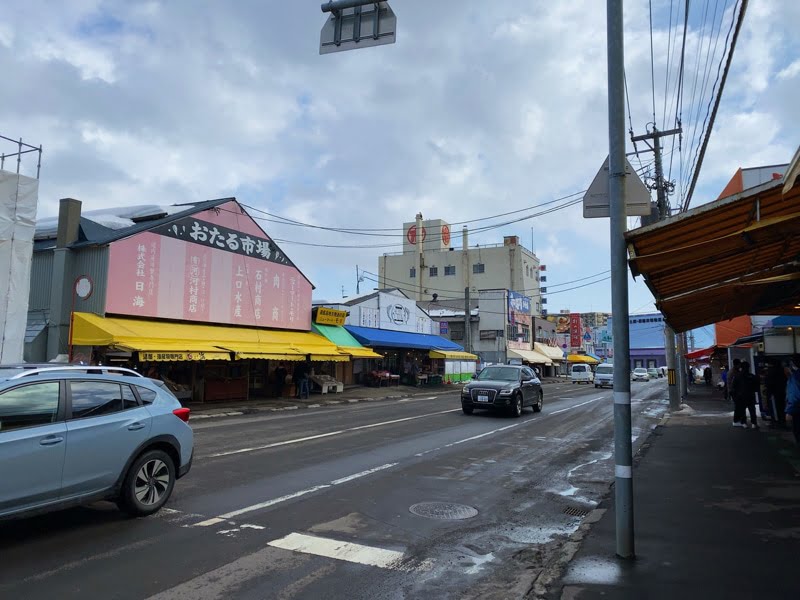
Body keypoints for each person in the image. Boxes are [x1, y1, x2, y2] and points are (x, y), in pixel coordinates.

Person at [732, 361, 759, 429]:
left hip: (741, 396)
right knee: (752, 410)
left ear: (741, 367)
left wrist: (735, 395)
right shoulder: (752, 376)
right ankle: (754, 423)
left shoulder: (737, 376)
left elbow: (734, 386)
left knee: (742, 410)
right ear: (748, 367)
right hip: (751, 395)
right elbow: (756, 386)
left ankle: (744, 423)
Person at [765, 359, 787, 428]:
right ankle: (782, 422)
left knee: (775, 408)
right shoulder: (782, 371)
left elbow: (768, 383)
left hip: (773, 393)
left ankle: (776, 423)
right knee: (781, 407)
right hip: (781, 392)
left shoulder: (771, 371)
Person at [785, 355, 800, 445]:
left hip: (797, 408)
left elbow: (794, 395)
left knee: (797, 429)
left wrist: (789, 410)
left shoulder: (795, 377)